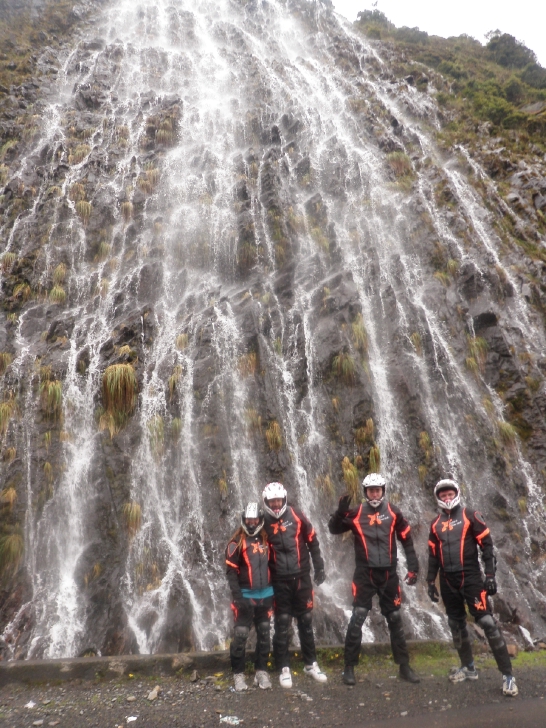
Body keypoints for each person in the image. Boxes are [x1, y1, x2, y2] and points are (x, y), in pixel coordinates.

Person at [427, 479, 518, 697]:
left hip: (471, 578)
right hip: (447, 580)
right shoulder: (435, 524)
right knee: (455, 624)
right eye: (443, 496)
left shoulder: (470, 515)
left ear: (456, 494)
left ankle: (508, 676)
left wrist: (490, 576)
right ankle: (468, 668)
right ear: (438, 498)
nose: (447, 498)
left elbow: (487, 547)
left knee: (486, 621)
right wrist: (430, 582)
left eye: (450, 494)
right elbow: (432, 556)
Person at [328, 472, 420, 685]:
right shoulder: (357, 512)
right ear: (365, 492)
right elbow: (333, 530)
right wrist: (339, 513)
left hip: (388, 573)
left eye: (378, 490)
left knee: (395, 618)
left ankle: (404, 667)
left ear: (383, 490)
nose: (375, 493)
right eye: (371, 490)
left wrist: (413, 567)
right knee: (358, 616)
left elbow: (406, 539)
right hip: (365, 573)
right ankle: (349, 668)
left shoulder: (394, 512)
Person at [262, 481, 327, 688]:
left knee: (306, 621)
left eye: (278, 501)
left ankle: (311, 664)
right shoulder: (262, 522)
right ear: (266, 502)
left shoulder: (296, 514)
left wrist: (319, 567)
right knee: (282, 624)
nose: (275, 505)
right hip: (279, 581)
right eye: (272, 502)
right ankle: (283, 668)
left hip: (301, 578)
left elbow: (312, 539)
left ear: (284, 500)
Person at [225, 502, 273, 691]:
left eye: (254, 520)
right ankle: (238, 674)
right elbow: (230, 573)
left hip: (266, 595)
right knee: (241, 634)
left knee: (264, 632)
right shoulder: (236, 543)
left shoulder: (267, 540)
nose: (252, 523)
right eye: (248, 520)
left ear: (260, 520)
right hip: (245, 596)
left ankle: (261, 671)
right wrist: (237, 597)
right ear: (244, 520)